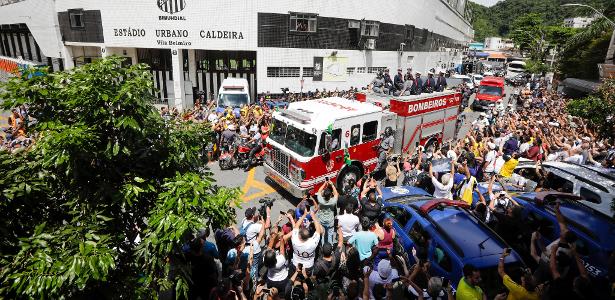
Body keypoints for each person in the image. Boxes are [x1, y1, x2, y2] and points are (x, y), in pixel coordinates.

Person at [286, 208, 323, 273]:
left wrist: (304, 215)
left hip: (296, 264)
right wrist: (313, 217)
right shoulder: (312, 242)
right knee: (306, 280)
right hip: (308, 266)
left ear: (299, 236)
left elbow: (296, 226)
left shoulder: (295, 240)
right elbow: (318, 230)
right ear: (308, 236)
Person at [316, 179, 339, 245]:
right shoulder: (333, 201)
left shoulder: (320, 200)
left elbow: (319, 191)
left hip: (322, 220)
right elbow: (336, 194)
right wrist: (332, 184)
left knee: (323, 235)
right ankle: (330, 248)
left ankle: (323, 247)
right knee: (330, 235)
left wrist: (324, 183)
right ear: (330, 196)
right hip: (330, 221)